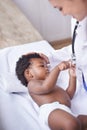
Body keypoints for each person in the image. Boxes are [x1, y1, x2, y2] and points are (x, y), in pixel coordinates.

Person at [16, 53, 87, 130]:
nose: (47, 68)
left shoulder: (53, 86)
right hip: (52, 111)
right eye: (42, 66)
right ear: (28, 73)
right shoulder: (32, 84)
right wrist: (58, 68)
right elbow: (46, 87)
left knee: (81, 122)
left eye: (47, 66)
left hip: (68, 113)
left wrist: (72, 77)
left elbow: (68, 95)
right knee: (72, 124)